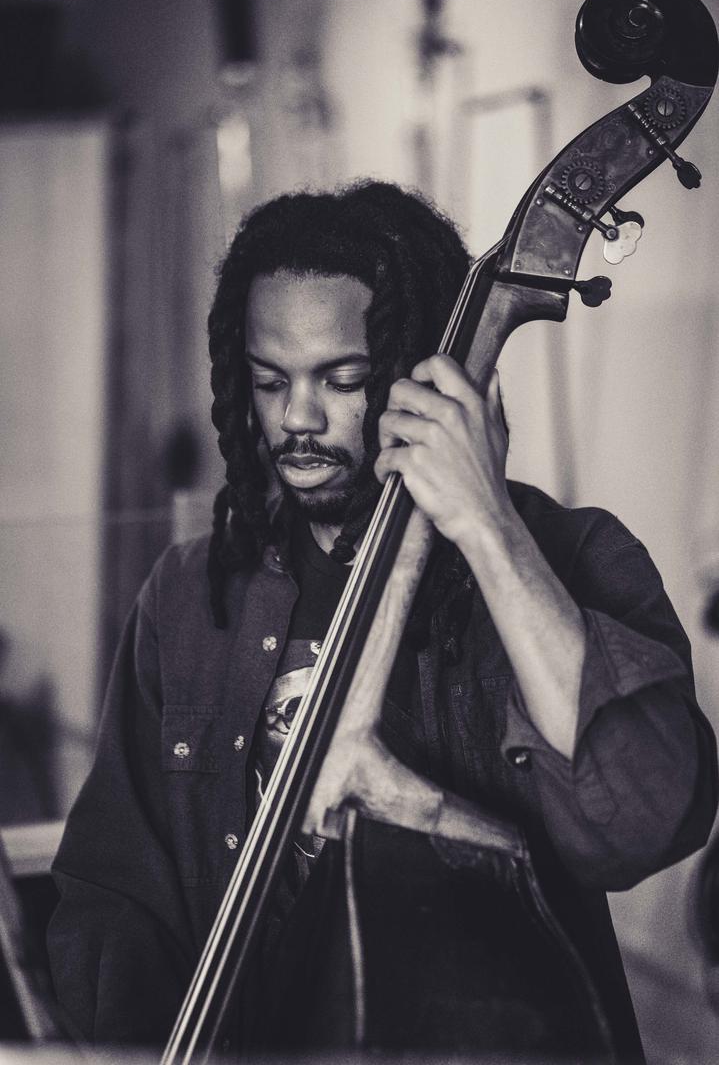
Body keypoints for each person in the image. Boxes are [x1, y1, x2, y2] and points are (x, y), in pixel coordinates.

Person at [47, 181, 717, 1059]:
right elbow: (113, 892)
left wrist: (486, 525)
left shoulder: (574, 555)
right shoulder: (188, 594)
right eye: (269, 380)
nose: (296, 418)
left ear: (416, 375)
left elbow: (645, 823)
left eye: (343, 380)